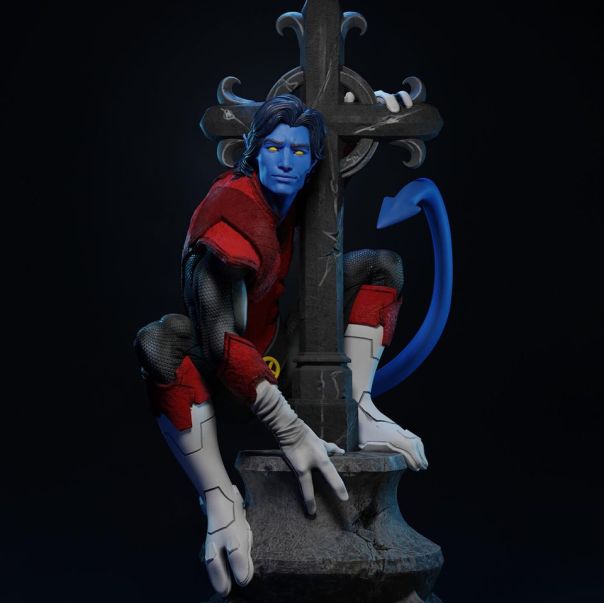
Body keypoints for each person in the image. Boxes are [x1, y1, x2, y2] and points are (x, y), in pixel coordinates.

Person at [134, 93, 427, 598]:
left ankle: (360, 407)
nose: (286, 161)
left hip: (277, 351)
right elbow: (221, 343)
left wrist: (373, 109)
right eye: (273, 148)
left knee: (381, 267)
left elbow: (337, 145)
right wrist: (289, 429)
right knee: (158, 341)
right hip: (224, 375)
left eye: (297, 151)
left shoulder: (295, 184)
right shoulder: (231, 212)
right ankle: (219, 497)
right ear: (254, 152)